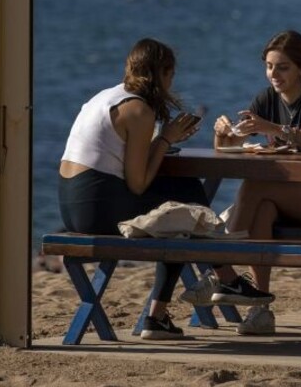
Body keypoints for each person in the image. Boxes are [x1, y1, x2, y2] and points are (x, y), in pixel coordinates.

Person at [58, 38, 215, 340]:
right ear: (162, 74)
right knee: (182, 212)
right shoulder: (139, 110)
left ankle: (222, 279)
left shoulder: (108, 97)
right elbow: (138, 184)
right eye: (171, 75)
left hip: (71, 203)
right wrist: (165, 140)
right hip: (96, 206)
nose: (172, 83)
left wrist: (160, 142)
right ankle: (173, 307)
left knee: (182, 199)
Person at [202, 30, 301, 337]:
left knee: (257, 185)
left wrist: (273, 128)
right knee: (263, 208)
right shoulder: (267, 98)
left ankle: (227, 263)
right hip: (281, 197)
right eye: (269, 66)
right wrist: (221, 131)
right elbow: (230, 146)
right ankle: (260, 308)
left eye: (282, 67)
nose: (273, 74)